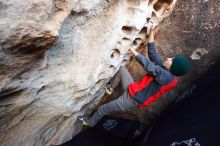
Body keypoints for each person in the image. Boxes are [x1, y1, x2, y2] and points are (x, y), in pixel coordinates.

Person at [80, 27, 190, 127]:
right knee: (121, 69)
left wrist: (133, 51)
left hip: (132, 100)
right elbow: (153, 55)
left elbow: (149, 66)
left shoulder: (167, 78)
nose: (169, 58)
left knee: (103, 109)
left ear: (174, 68)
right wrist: (151, 32)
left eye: (172, 60)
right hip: (133, 88)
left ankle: (89, 123)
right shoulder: (165, 70)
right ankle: (110, 88)